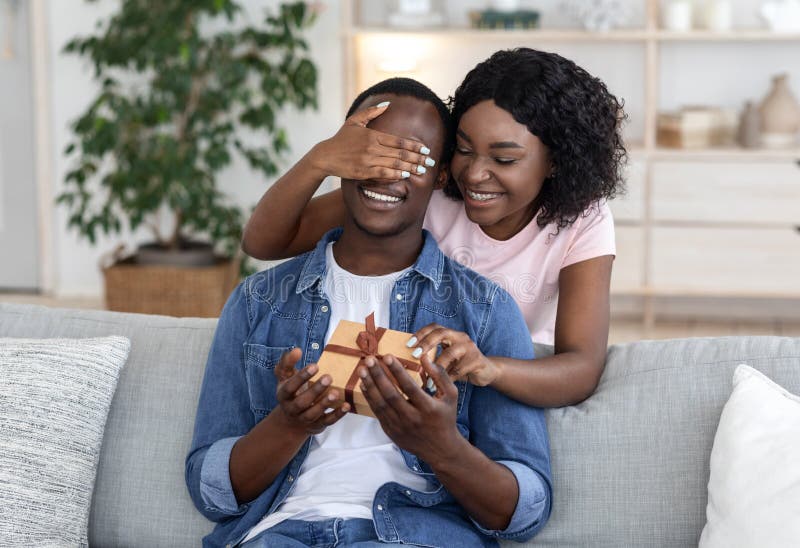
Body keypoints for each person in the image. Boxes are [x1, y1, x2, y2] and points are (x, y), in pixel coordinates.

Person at [186, 78, 552, 548]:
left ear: (441, 177)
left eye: (413, 159)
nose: (386, 173)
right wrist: (289, 424)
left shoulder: (483, 312)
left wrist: (440, 445)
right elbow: (209, 492)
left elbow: (524, 513)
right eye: (372, 153)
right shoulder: (258, 300)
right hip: (277, 535)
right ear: (342, 156)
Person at [241, 48, 627, 407]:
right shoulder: (430, 189)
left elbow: (582, 367)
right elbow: (264, 241)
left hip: (513, 381)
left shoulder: (582, 219)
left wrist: (489, 368)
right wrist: (319, 160)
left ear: (556, 162)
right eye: (463, 149)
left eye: (504, 159)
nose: (474, 175)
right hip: (409, 386)